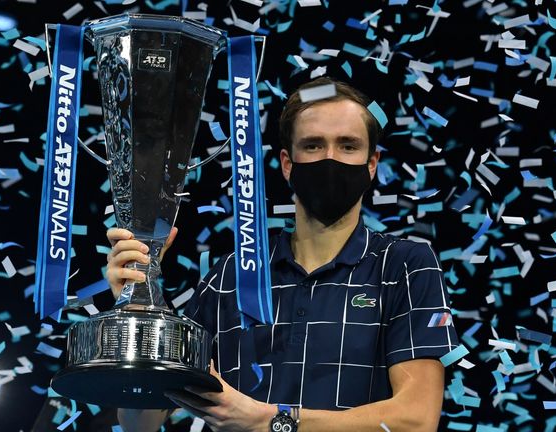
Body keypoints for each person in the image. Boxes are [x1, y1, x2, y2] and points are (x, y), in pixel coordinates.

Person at [105, 77, 460, 432]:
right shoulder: (230, 276)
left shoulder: (405, 266)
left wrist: (273, 421)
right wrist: (138, 301)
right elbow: (141, 421)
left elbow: (416, 420)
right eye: (314, 145)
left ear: (372, 163)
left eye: (348, 145)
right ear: (288, 164)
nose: (330, 158)